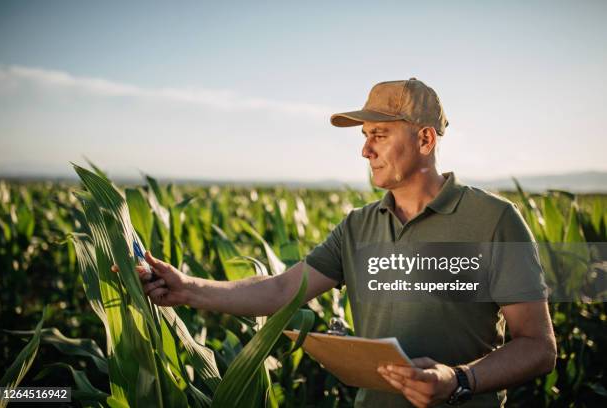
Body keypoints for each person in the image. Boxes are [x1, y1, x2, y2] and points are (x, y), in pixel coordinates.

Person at [115, 78, 557, 407]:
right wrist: (187, 288)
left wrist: (458, 380)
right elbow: (281, 291)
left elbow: (538, 347)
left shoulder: (494, 220)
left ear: (425, 139)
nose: (366, 150)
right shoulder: (356, 228)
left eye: (379, 135)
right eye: (365, 136)